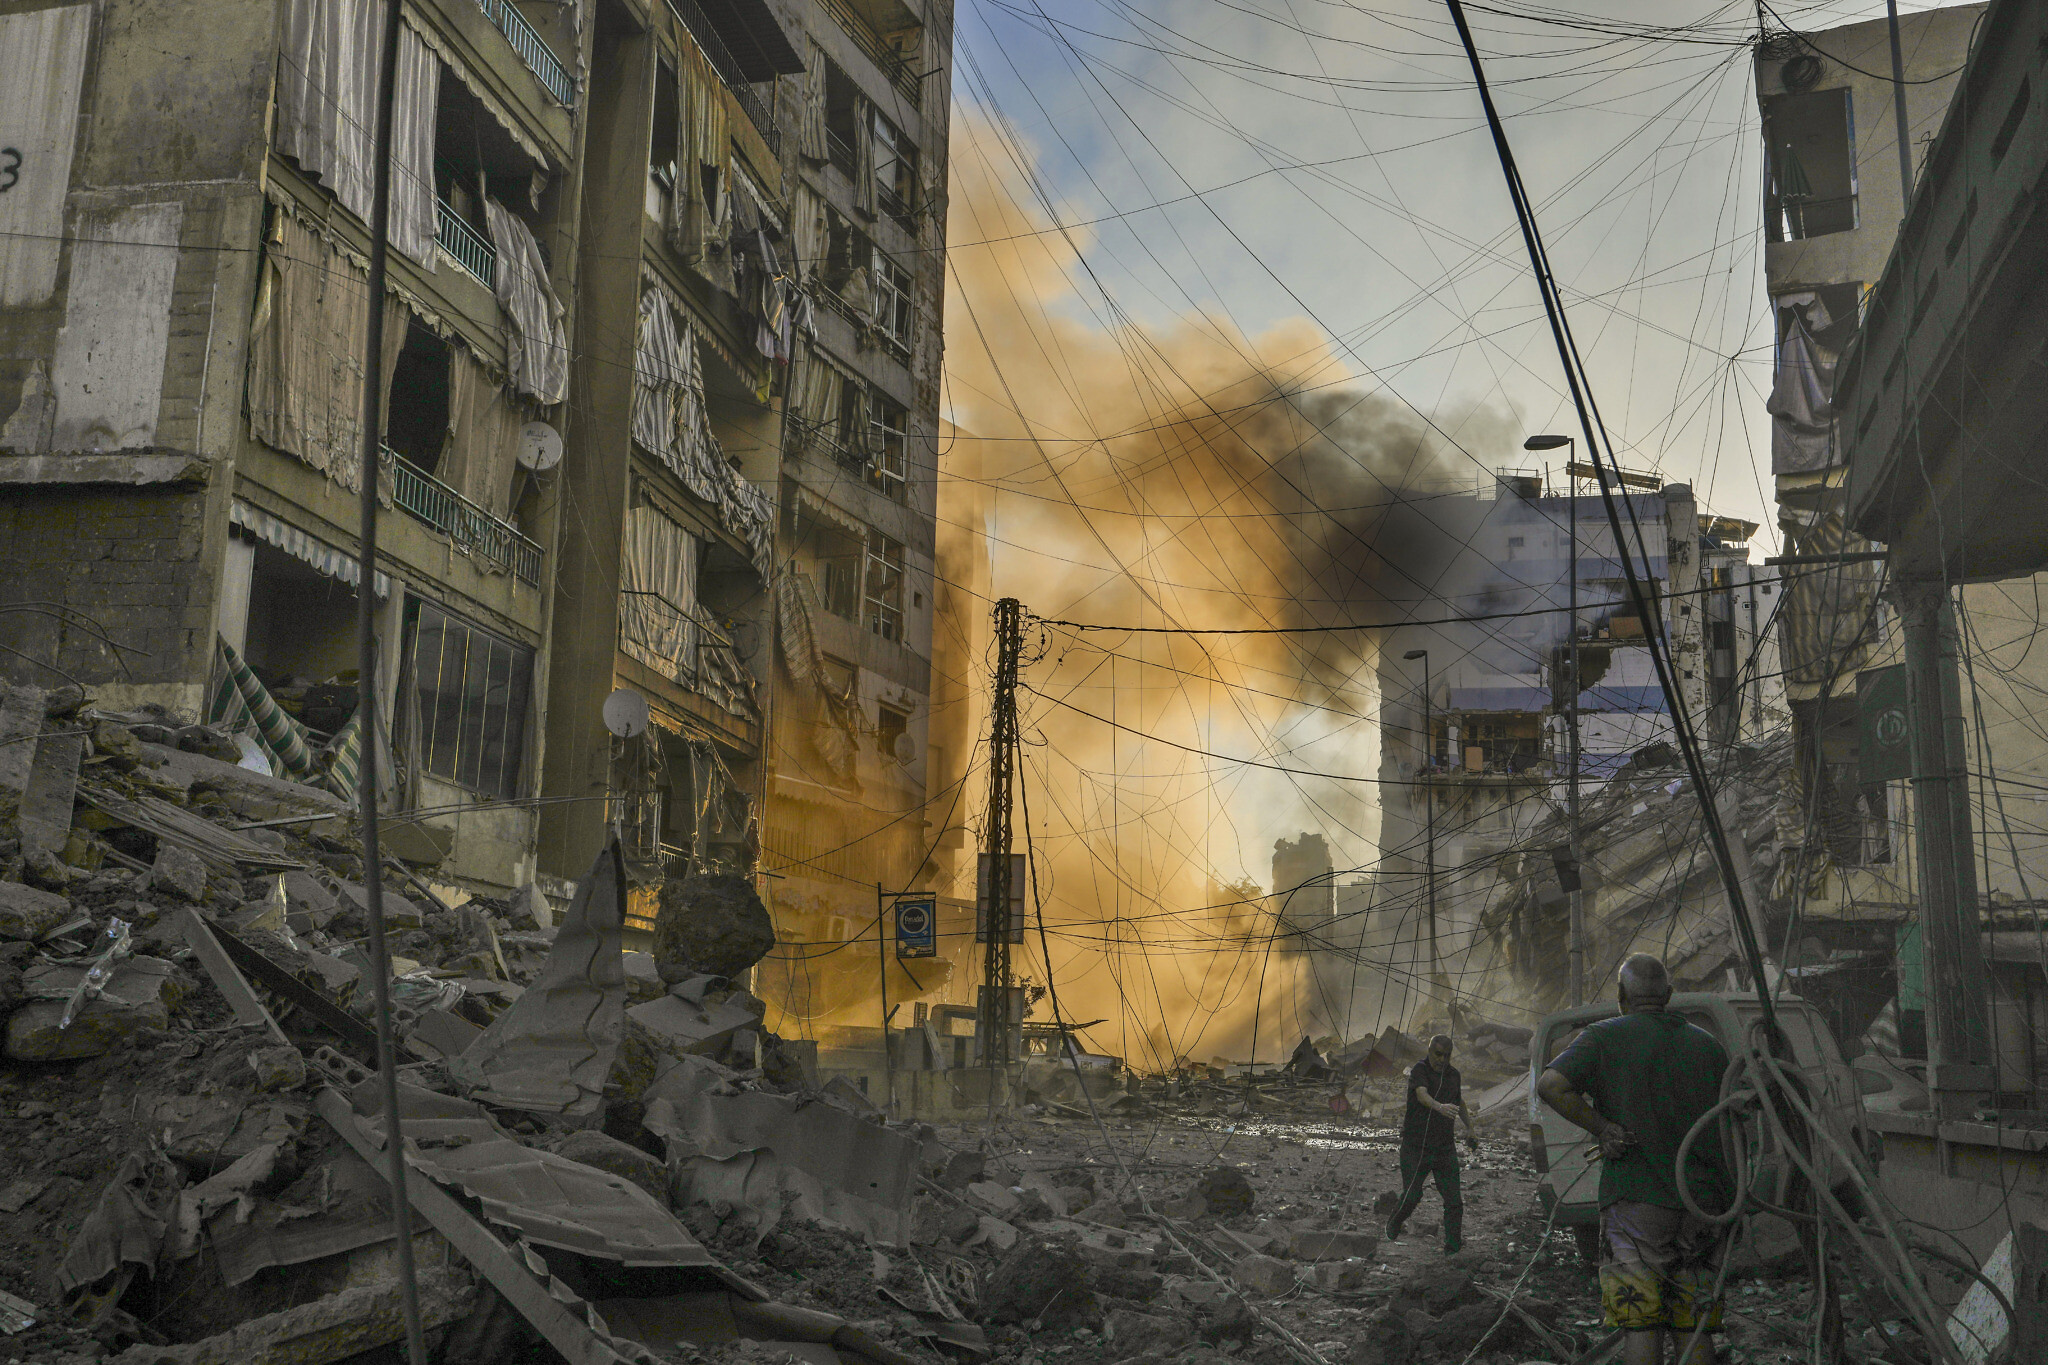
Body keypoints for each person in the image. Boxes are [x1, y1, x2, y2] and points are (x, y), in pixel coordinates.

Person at [1537, 955, 1734, 1365]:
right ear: (1669, 996)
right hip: (1703, 1205)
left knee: (1641, 1322)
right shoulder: (1709, 1046)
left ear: (1622, 998)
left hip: (1636, 1203)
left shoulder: (1603, 1036)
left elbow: (1552, 1085)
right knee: (1692, 1321)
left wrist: (1603, 1127)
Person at [1385, 1033, 1477, 1254]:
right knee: (1413, 1194)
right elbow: (1421, 1095)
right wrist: (1439, 1107)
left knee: (1454, 1201)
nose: (1442, 1060)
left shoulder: (1454, 1075)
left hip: (1444, 1148)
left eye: (1446, 1056)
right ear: (1429, 1052)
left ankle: (1453, 1249)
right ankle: (1395, 1220)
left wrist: (1470, 1129)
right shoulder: (1420, 1070)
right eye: (1438, 1054)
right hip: (1416, 1145)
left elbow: (1459, 1101)